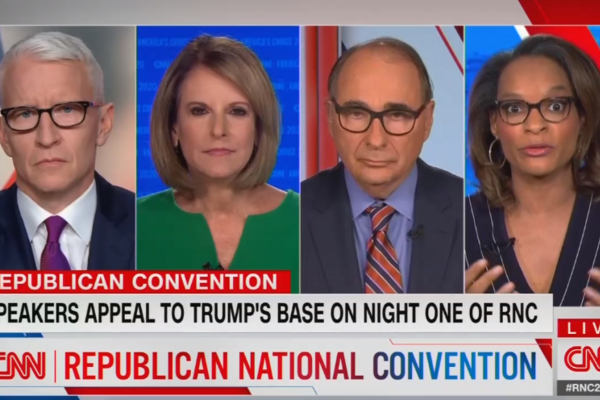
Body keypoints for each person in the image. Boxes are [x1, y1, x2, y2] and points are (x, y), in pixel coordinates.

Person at [136, 35, 300, 292]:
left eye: (237, 111)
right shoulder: (134, 224)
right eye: (200, 111)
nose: (218, 130)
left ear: (258, 128)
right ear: (174, 128)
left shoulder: (308, 222)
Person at [301, 37, 463, 294]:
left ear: (427, 120)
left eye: (397, 115)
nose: (376, 140)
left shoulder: (474, 213)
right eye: (357, 113)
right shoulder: (291, 215)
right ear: (331, 116)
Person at [465, 34, 600, 307]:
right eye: (515, 108)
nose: (535, 126)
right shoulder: (456, 224)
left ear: (583, 119)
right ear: (495, 123)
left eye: (555, 106)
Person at [0, 31, 135, 271]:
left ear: (103, 124)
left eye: (67, 110)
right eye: (25, 114)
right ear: (4, 135)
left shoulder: (152, 228)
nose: (47, 138)